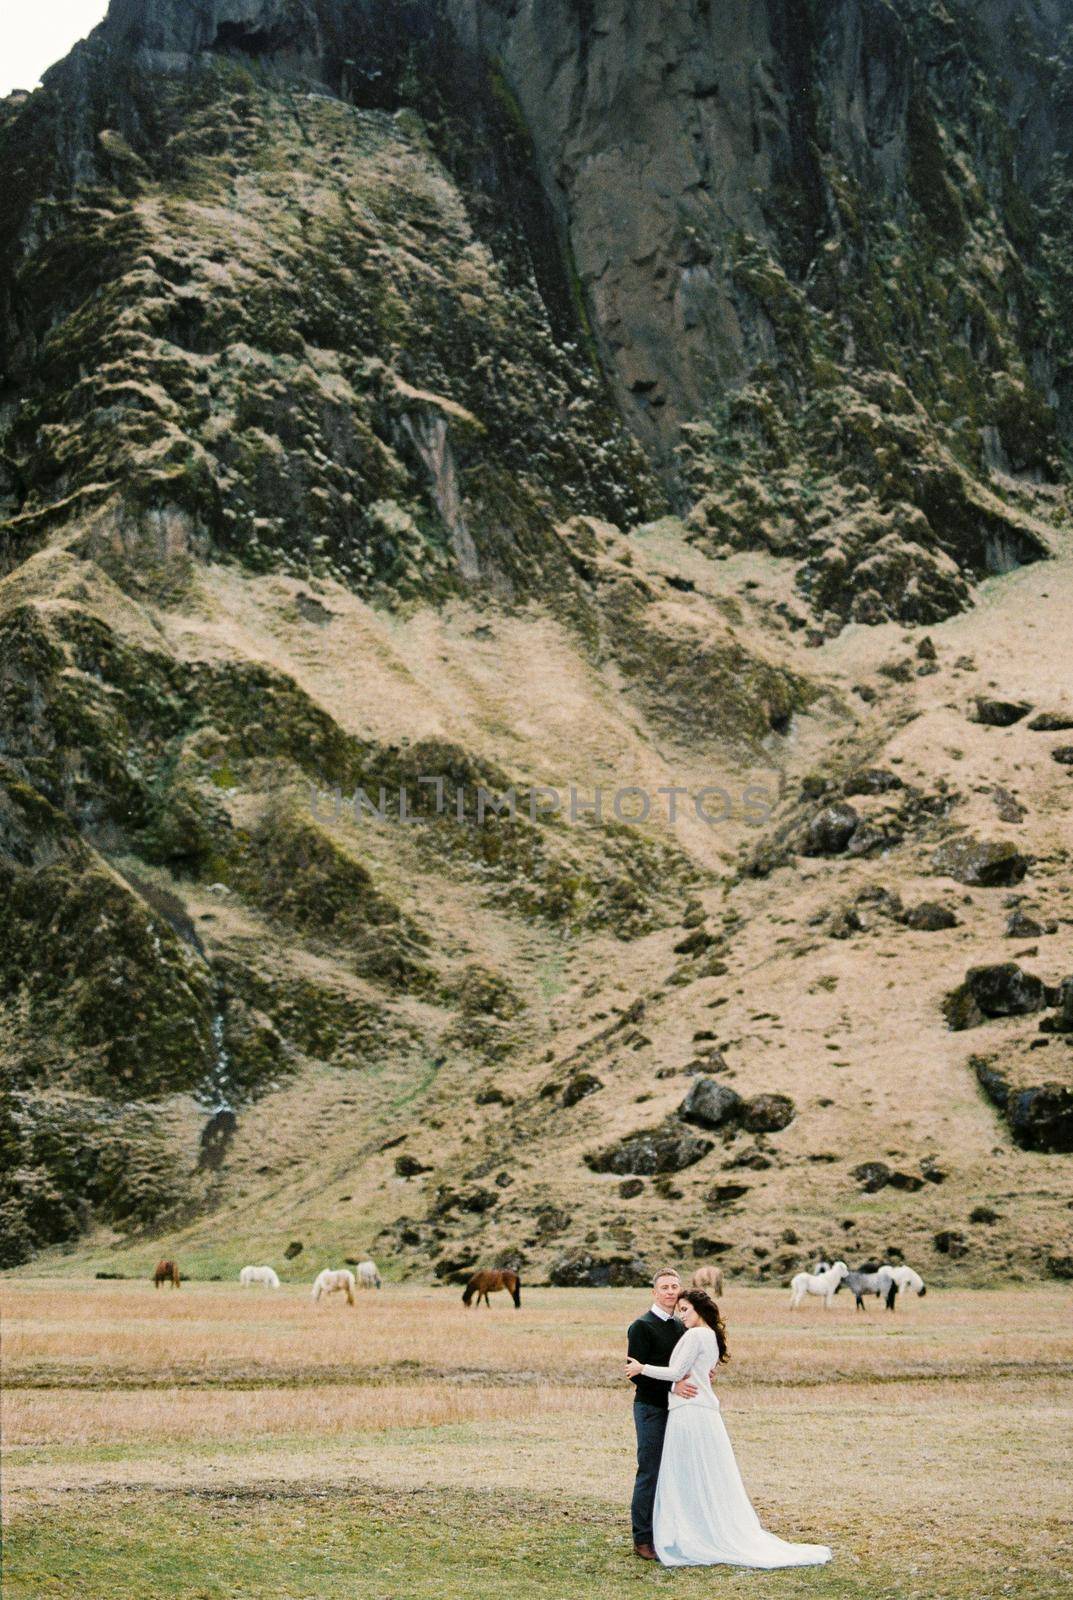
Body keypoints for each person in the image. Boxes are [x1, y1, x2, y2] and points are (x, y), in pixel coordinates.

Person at [625, 1288, 833, 1569]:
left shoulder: (696, 1335)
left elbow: (676, 1373)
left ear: (698, 1310)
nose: (681, 1314)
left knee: (681, 1472)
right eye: (680, 1309)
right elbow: (699, 1371)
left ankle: (685, 1533)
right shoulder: (709, 1335)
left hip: (688, 1412)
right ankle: (697, 1528)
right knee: (703, 1472)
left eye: (685, 1309)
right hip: (702, 1410)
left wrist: (642, 1368)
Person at [626, 1268, 698, 1560]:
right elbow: (636, 1374)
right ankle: (642, 1538)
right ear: (654, 1293)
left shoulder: (682, 1327)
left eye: (674, 1287)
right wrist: (672, 1385)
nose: (670, 1291)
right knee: (650, 1470)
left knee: (675, 1470)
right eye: (664, 1287)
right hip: (651, 1408)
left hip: (679, 1410)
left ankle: (669, 1531)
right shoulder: (641, 1326)